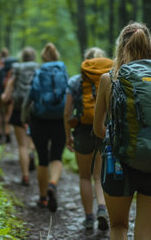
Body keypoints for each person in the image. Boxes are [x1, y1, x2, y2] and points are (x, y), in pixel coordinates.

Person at [93, 22, 151, 240]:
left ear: (120, 46)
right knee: (146, 232)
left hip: (119, 164)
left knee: (118, 226)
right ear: (150, 45)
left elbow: (98, 129)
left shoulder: (109, 79)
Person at [63, 47, 110, 230]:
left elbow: (67, 112)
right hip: (103, 130)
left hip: (82, 131)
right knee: (99, 176)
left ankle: (89, 218)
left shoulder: (76, 81)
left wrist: (68, 136)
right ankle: (102, 208)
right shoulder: (110, 78)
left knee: (84, 177)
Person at [22, 43, 68, 213]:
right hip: (59, 120)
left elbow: (31, 96)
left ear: (43, 58)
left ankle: (43, 198)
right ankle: (53, 184)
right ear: (56, 56)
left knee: (42, 158)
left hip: (39, 119)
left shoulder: (40, 72)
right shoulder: (63, 72)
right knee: (56, 155)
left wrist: (24, 117)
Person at [1, 47, 39, 186]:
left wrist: (5, 97)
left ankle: (25, 176)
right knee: (31, 138)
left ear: (22, 57)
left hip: (18, 110)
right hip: (34, 110)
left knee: (21, 145)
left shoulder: (16, 69)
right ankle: (32, 151)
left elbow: (6, 95)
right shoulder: (38, 69)